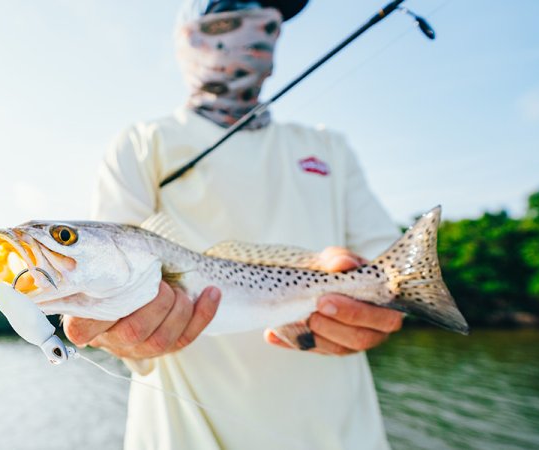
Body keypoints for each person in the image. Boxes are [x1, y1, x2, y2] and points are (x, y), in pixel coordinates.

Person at [64, 1, 404, 448]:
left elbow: (397, 274)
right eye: (235, 10)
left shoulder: (329, 147)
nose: (262, 23)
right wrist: (119, 334)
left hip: (342, 434)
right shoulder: (141, 143)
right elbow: (112, 284)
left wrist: (384, 306)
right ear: (190, 32)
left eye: (272, 13)